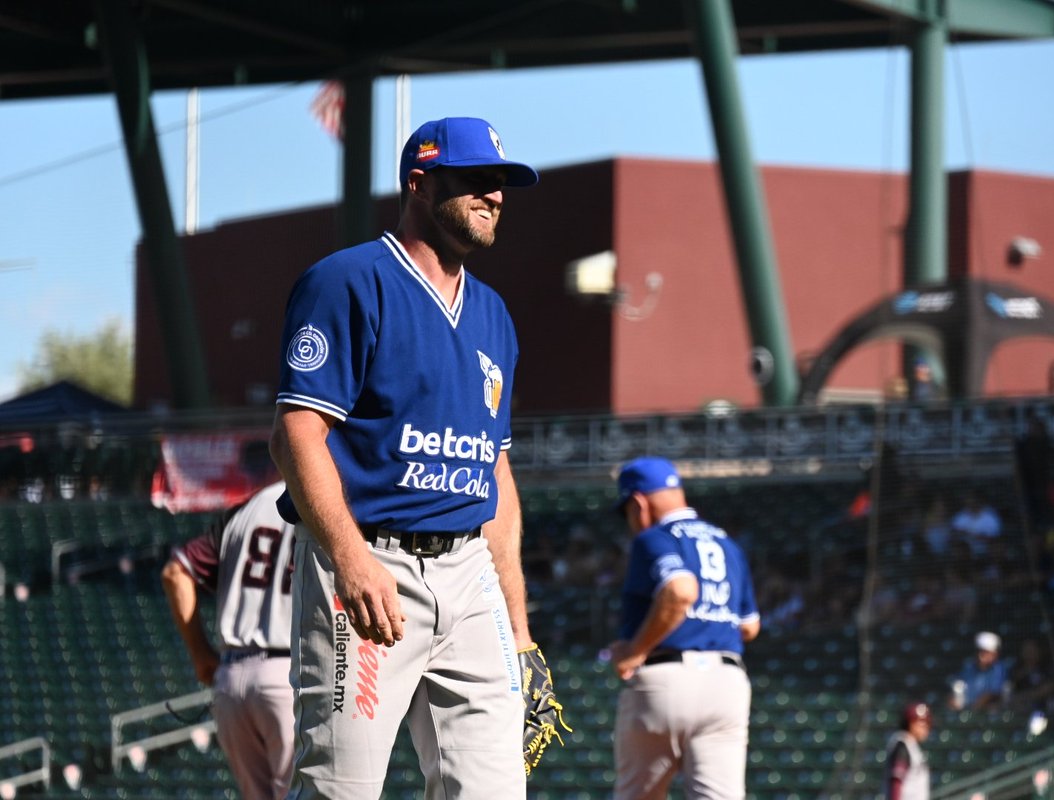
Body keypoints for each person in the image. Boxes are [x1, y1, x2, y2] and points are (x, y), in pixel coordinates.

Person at [269, 117, 545, 799]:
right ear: (420, 184)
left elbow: (495, 472)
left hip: (470, 573)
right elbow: (295, 432)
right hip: (371, 559)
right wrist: (350, 559)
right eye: (477, 179)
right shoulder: (348, 281)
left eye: (501, 182)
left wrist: (520, 631)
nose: (495, 195)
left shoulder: (494, 314)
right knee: (341, 789)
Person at [609, 456, 760, 800]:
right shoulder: (728, 544)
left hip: (665, 680)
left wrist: (635, 650)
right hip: (726, 683)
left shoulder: (654, 538)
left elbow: (680, 590)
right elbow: (750, 627)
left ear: (638, 503)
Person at [161, 480, 296, 800]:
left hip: (230, 679)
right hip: (289, 674)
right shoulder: (332, 501)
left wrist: (200, 655)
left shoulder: (248, 508)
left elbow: (175, 573)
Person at [949, 631, 1009, 712]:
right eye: (979, 651)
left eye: (985, 652)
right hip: (968, 709)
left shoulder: (999, 669)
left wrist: (976, 707)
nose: (980, 656)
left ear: (995, 654)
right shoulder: (969, 666)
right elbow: (959, 686)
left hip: (989, 711)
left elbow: (994, 693)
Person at [883, 702, 932, 800]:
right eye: (922, 723)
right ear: (911, 723)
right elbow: (896, 780)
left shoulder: (911, 746)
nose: (926, 728)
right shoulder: (902, 745)